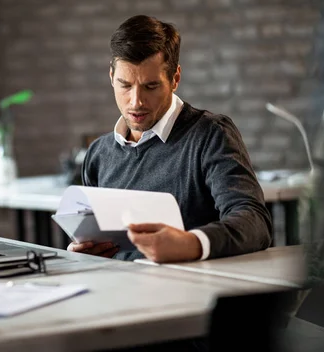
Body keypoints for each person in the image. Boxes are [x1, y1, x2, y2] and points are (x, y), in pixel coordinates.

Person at [68, 15, 272, 263]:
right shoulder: (99, 154)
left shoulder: (210, 135)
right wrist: (86, 254)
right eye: (125, 85)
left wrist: (191, 243)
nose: (136, 102)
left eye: (150, 86)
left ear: (175, 79)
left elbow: (255, 222)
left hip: (187, 294)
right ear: (111, 77)